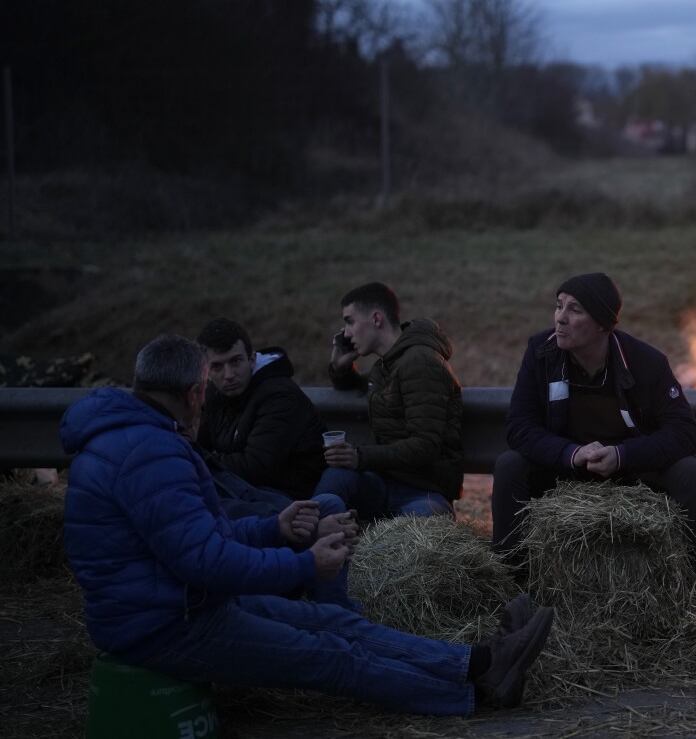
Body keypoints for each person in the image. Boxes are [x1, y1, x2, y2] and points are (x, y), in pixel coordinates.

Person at [61, 334, 553, 714]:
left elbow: (197, 539)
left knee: (333, 621)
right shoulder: (150, 452)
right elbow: (205, 562)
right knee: (328, 656)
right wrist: (303, 564)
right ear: (193, 393)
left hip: (178, 602)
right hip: (162, 624)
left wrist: (274, 528)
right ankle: (476, 696)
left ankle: (480, 662)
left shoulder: (137, 438)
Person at [492, 272, 696, 568]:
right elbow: (519, 426)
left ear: (602, 324)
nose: (560, 318)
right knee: (509, 465)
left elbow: (684, 432)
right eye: (559, 306)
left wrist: (623, 456)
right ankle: (510, 575)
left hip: (632, 470)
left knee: (688, 470)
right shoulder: (541, 352)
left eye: (575, 310)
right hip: (567, 467)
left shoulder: (647, 362)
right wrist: (570, 453)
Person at [325, 282, 464, 519]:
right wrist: (341, 368)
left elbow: (425, 446)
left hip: (424, 494)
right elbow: (372, 389)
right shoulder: (385, 365)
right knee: (334, 481)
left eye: (350, 321)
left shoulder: (421, 362)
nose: (346, 333)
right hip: (384, 483)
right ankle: (313, 551)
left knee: (401, 542)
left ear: (376, 319)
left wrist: (360, 457)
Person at [195, 317, 340, 518]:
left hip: (292, 497)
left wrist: (198, 460)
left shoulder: (279, 395)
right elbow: (197, 444)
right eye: (217, 367)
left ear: (252, 359)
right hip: (249, 489)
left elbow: (254, 467)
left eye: (236, 361)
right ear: (206, 370)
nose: (229, 375)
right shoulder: (213, 393)